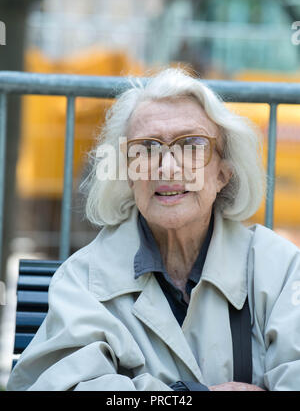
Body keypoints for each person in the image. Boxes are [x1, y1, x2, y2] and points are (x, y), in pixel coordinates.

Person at [7, 68, 300, 391]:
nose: (168, 167)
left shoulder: (281, 269)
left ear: (223, 173)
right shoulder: (85, 279)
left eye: (192, 145)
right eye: (146, 148)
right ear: (129, 175)